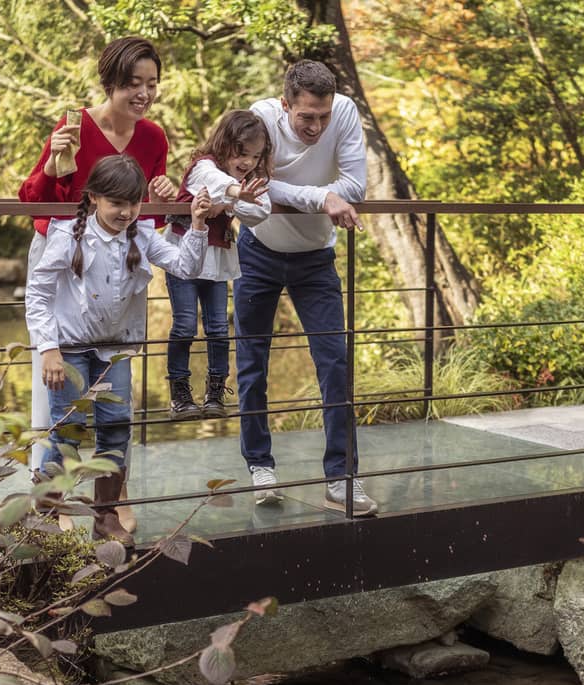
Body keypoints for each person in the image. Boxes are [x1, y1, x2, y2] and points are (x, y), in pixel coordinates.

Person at [25, 155, 214, 546]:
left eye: (133, 203)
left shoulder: (141, 235)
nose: (126, 212)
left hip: (116, 350)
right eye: (116, 204)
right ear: (94, 198)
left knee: (115, 428)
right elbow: (39, 293)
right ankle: (43, 517)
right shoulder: (68, 235)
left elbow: (185, 266)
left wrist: (196, 225)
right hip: (71, 348)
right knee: (66, 431)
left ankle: (105, 517)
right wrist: (48, 348)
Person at [18, 35, 176, 473]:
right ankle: (50, 497)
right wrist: (52, 163)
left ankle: (111, 498)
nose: (143, 94)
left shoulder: (152, 138)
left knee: (114, 403)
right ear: (110, 83)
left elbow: (149, 222)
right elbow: (34, 202)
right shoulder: (74, 128)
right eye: (132, 84)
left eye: (152, 83)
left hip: (120, 268)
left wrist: (165, 195)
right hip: (65, 258)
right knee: (57, 386)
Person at [236, 60, 377, 515]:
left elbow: (355, 183)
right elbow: (252, 185)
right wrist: (321, 196)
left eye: (323, 115)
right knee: (252, 362)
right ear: (285, 106)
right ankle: (261, 467)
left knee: (335, 363)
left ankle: (341, 478)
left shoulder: (345, 112)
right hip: (257, 251)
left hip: (316, 259)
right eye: (306, 118)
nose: (317, 126)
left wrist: (326, 194)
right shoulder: (259, 117)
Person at [164, 110, 273, 421]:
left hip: (216, 262)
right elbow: (215, 182)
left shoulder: (245, 182)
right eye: (241, 153)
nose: (248, 162)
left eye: (254, 156)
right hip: (184, 258)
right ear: (225, 144)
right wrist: (236, 194)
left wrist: (233, 200)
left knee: (217, 329)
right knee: (185, 325)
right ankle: (180, 392)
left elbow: (260, 210)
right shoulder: (203, 166)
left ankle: (215, 391)